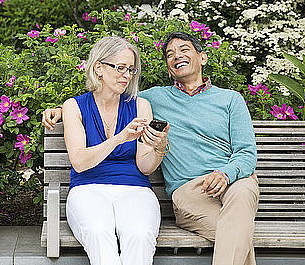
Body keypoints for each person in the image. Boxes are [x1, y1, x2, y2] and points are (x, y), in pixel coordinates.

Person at [43, 32, 259, 265]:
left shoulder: (231, 99)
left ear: (203, 57)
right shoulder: (155, 98)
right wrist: (63, 110)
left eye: (184, 50)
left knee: (241, 198)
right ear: (169, 69)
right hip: (190, 191)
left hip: (232, 181)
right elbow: (102, 98)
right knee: (237, 234)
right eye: (170, 54)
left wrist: (225, 173)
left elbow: (246, 153)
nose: (177, 56)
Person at [60, 35, 169, 265]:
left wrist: (159, 148)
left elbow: (144, 166)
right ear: (98, 67)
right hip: (87, 188)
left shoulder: (140, 106)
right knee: (99, 232)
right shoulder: (74, 107)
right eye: (120, 68)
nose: (127, 75)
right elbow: (79, 162)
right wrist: (120, 139)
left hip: (135, 189)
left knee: (139, 234)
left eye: (131, 69)